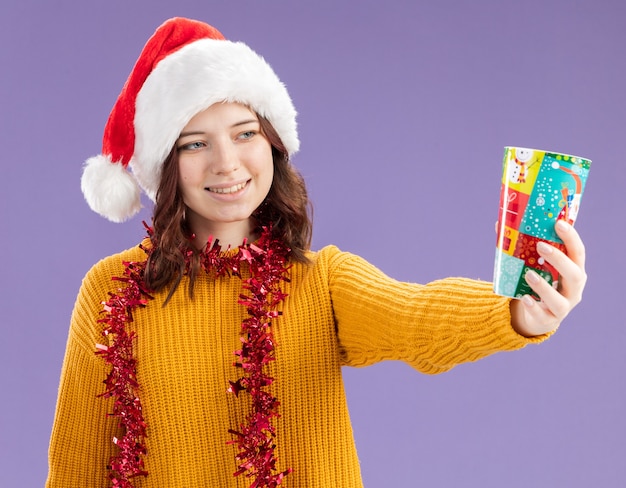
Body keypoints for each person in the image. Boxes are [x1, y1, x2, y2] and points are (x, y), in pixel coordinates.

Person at [46, 17, 587, 488]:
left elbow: (415, 318)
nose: (227, 162)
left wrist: (516, 310)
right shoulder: (112, 292)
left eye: (245, 133)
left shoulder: (320, 281)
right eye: (195, 143)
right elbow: (75, 470)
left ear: (273, 144)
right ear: (165, 164)